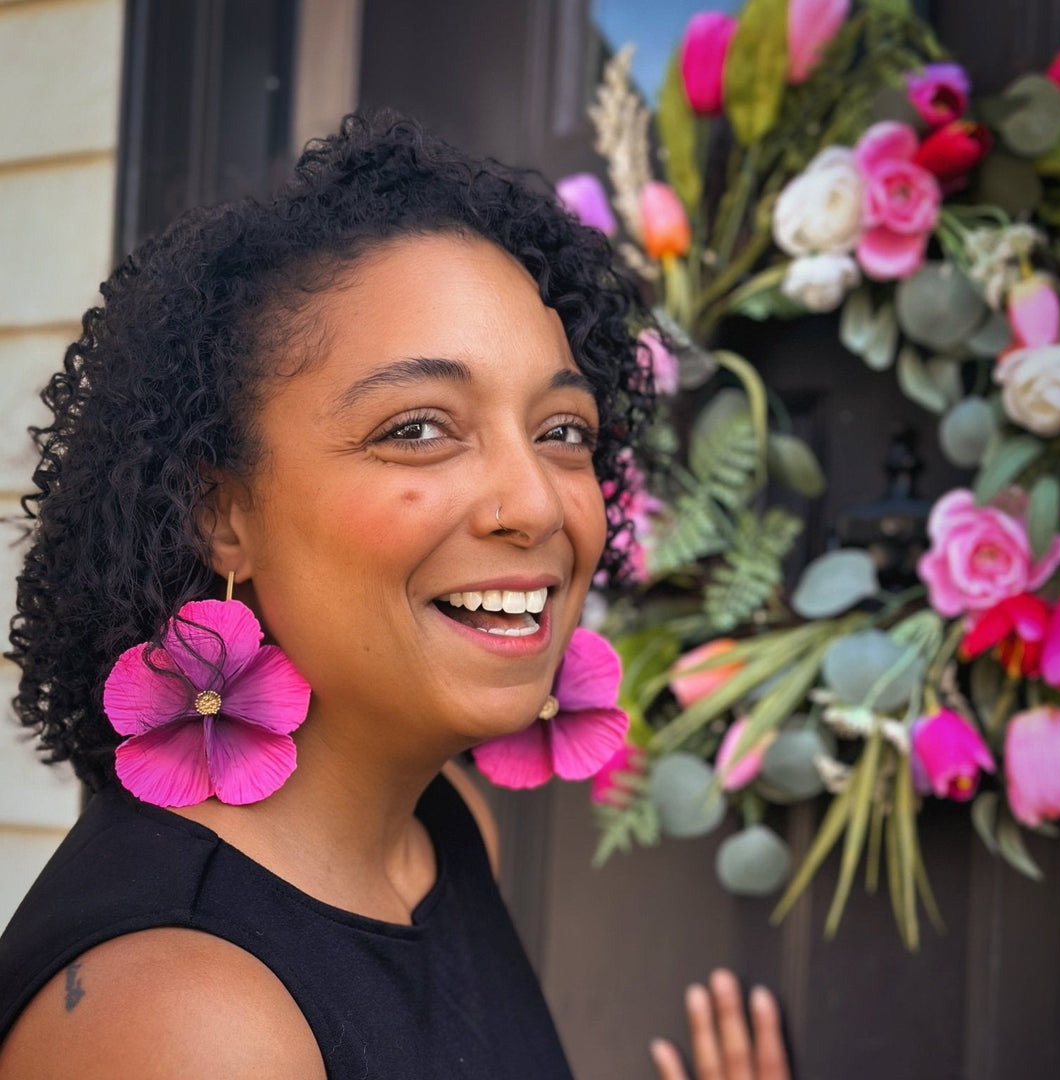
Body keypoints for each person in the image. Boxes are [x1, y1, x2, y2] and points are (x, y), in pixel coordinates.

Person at [0, 111, 789, 1080]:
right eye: (418, 429)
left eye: (563, 430)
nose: (535, 503)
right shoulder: (191, 1022)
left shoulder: (439, 834)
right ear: (222, 511)